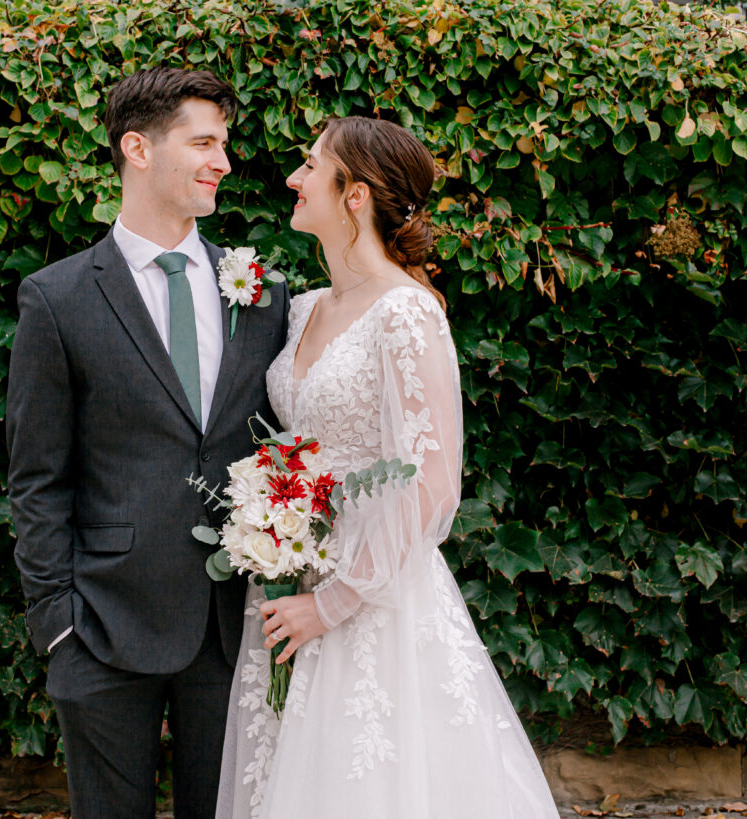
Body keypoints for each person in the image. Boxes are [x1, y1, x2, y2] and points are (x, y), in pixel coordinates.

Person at [216, 116, 559, 818]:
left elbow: (431, 482)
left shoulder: (406, 312)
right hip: (290, 579)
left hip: (372, 599)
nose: (294, 177)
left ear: (355, 194)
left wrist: (332, 603)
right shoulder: (303, 309)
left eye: (311, 165)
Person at [6, 67, 289, 819]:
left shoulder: (263, 293)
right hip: (102, 626)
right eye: (203, 143)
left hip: (233, 628)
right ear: (137, 148)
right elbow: (36, 477)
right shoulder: (57, 298)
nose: (222, 161)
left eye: (223, 144)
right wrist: (57, 625)